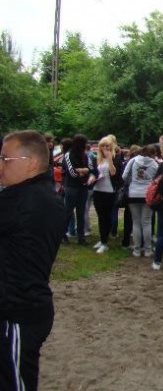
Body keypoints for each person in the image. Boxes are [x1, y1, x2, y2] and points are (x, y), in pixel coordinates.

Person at [0, 130, 67, 391]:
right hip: (25, 306)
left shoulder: (21, 201)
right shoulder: (47, 196)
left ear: (31, 163)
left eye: (6, 159)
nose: (1, 165)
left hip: (17, 312)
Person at [122, 144, 159, 257]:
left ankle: (136, 249)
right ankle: (147, 249)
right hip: (148, 195)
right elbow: (157, 179)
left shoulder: (133, 160)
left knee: (136, 222)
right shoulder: (154, 164)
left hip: (133, 193)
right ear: (152, 154)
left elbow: (124, 176)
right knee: (146, 222)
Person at [89, 136, 122, 254]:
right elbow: (94, 173)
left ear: (111, 146)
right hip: (98, 190)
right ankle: (102, 239)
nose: (105, 148)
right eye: (102, 146)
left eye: (107, 145)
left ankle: (104, 241)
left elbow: (115, 173)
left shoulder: (116, 157)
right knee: (100, 216)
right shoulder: (96, 159)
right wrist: (92, 178)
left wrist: (109, 160)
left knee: (107, 216)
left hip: (110, 191)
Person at [62, 134, 92, 245]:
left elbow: (90, 169)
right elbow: (72, 173)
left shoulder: (85, 155)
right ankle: (62, 234)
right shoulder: (68, 155)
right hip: (71, 187)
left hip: (82, 187)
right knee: (68, 212)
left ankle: (81, 237)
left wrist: (82, 171)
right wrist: (83, 172)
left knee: (81, 212)